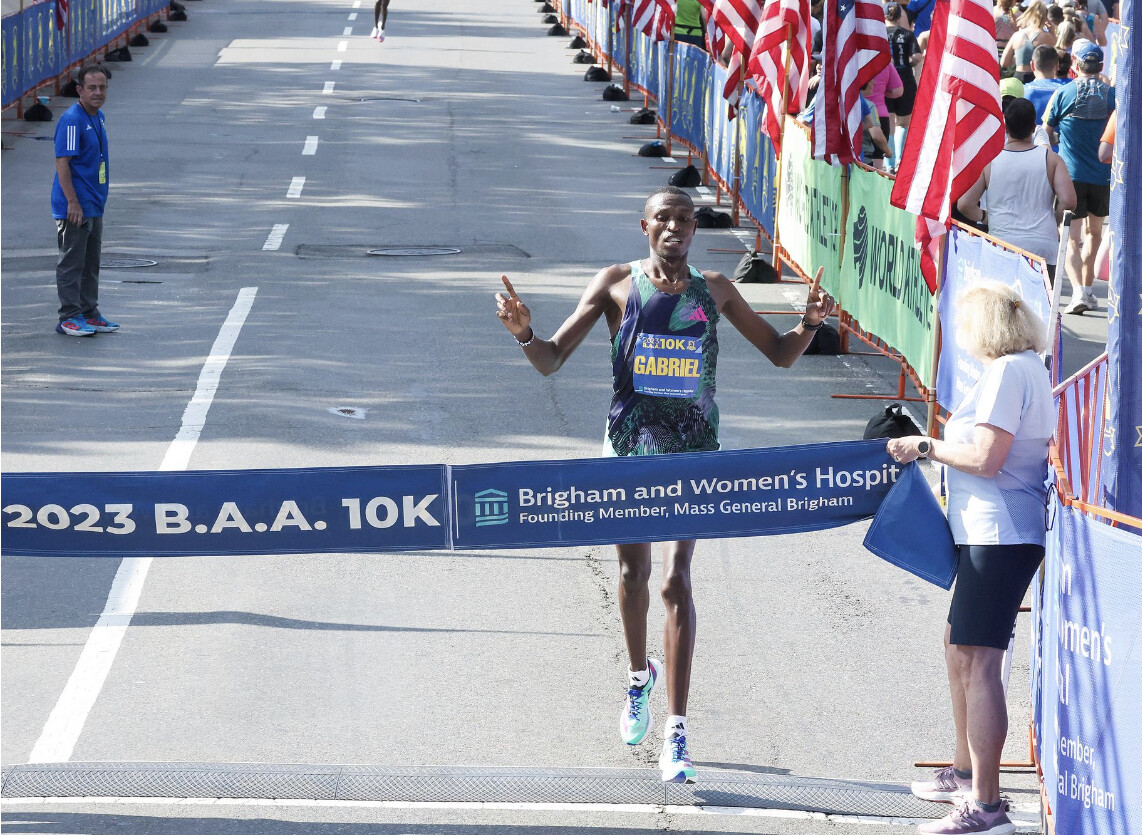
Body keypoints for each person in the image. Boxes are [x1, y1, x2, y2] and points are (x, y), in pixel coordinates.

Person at [494, 186, 836, 785]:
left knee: (677, 581)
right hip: (629, 452)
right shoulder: (616, 284)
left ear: (695, 227)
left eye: (684, 218)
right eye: (663, 219)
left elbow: (781, 355)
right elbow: (551, 359)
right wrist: (524, 332)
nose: (674, 227)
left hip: (693, 455)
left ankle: (677, 731)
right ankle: (638, 679)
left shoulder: (716, 289)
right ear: (645, 227)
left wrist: (808, 325)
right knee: (634, 576)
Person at [888, 283, 1053, 835]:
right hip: (993, 532)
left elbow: (986, 459)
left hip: (1000, 533)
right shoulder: (1021, 368)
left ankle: (985, 805)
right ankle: (965, 775)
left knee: (979, 661)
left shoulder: (1009, 372)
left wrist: (925, 446)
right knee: (960, 650)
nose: (959, 335)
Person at [957, 98, 1076, 285]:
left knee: (1003, 301)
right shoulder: (1051, 160)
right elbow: (1069, 201)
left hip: (1002, 243)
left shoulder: (990, 161)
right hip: (1042, 245)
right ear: (1034, 128)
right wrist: (1055, 218)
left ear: (1006, 128)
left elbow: (965, 204)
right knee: (1040, 302)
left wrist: (986, 217)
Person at [1044, 40, 1114, 314]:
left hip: (1070, 178)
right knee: (1094, 233)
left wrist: (1061, 143)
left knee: (1071, 238)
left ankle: (1078, 293)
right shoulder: (1113, 96)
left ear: (1075, 63)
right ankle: (1086, 287)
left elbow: (1046, 132)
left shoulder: (1063, 94)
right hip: (1103, 177)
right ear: (1100, 66)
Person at [51, 65, 119, 337]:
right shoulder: (72, 120)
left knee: (91, 263)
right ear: (80, 90)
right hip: (75, 206)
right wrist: (72, 202)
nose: (97, 92)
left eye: (102, 87)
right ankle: (69, 317)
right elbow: (62, 163)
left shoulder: (98, 116)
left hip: (94, 203)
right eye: (92, 88)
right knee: (72, 263)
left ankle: (89, 312)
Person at [886, 1, 922, 161]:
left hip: (885, 81)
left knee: (888, 123)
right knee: (902, 123)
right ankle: (900, 161)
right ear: (900, 16)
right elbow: (917, 57)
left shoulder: (880, 33)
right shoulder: (908, 34)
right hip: (905, 78)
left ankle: (889, 163)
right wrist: (908, 63)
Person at [1000, 0, 1053, 82]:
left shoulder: (1017, 36)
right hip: (1036, 78)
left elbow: (1004, 63)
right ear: (1045, 17)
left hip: (1018, 77)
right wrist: (1052, 31)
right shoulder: (1047, 37)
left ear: (1028, 14)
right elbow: (1056, 57)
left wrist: (1019, 56)